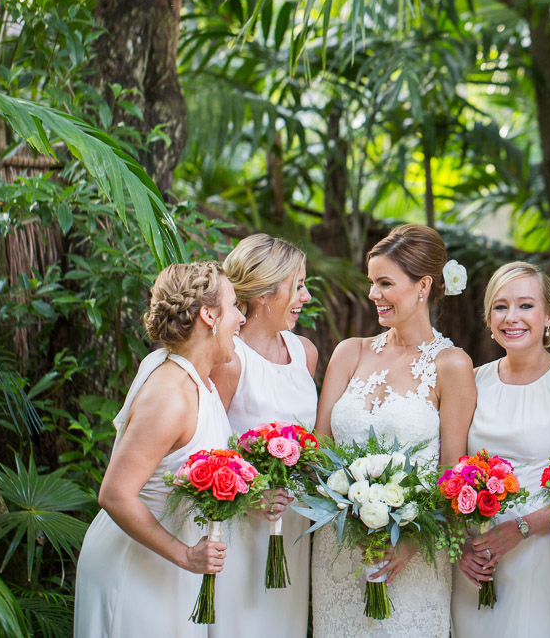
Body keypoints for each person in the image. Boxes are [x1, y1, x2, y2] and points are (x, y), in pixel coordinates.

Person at [311, 223, 477, 637]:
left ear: (423, 286)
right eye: (371, 282)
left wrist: (411, 543)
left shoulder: (452, 365)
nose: (373, 294)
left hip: (411, 554)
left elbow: (451, 473)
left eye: (385, 283)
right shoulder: (350, 352)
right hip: (337, 550)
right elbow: (319, 448)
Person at [74, 261, 246, 637]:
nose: (241, 318)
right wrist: (184, 554)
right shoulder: (171, 395)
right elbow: (116, 495)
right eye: (234, 306)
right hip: (134, 566)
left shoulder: (200, 381)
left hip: (171, 568)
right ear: (208, 315)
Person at [451, 261, 550, 637]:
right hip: (476, 558)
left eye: (525, 306)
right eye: (500, 306)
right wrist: (461, 547)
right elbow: (450, 470)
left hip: (540, 556)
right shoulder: (472, 381)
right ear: (489, 317)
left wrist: (519, 529)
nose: (511, 317)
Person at [209, 234, 318, 638]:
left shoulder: (305, 352)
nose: (305, 297)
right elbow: (205, 448)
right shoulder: (230, 360)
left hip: (292, 524)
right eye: (298, 286)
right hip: (241, 524)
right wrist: (248, 496)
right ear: (264, 295)